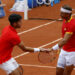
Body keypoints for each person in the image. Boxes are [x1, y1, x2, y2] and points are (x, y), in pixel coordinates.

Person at [49, 5, 75, 75]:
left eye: (63, 13)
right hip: (64, 51)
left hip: (72, 53)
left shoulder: (72, 24)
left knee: (66, 73)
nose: (61, 14)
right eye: (61, 12)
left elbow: (65, 40)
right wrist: (60, 48)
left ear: (68, 14)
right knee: (58, 72)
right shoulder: (64, 20)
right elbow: (63, 37)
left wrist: (52, 48)